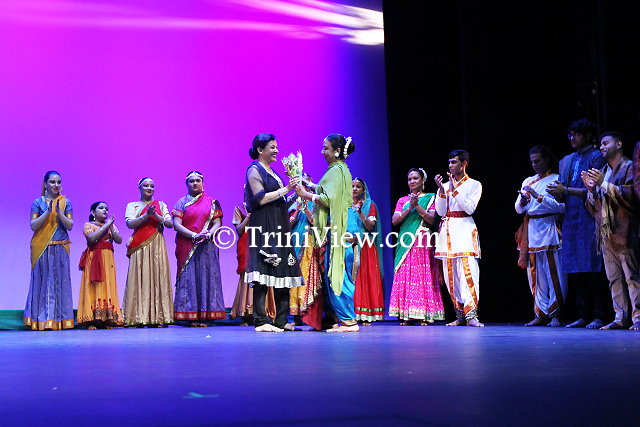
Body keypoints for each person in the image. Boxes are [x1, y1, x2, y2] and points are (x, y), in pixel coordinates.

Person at [547, 119, 609, 328]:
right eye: (570, 134)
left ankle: (599, 314)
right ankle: (583, 314)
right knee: (575, 269)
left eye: (577, 134)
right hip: (571, 219)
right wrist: (556, 193)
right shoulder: (567, 160)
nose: (572, 138)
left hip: (590, 217)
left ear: (589, 136)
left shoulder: (597, 157)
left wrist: (565, 190)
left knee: (593, 268)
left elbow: (594, 189)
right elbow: (563, 191)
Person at [295, 134, 356, 332]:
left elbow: (329, 199)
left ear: (337, 151)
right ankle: (346, 320)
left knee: (338, 273)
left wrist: (306, 195)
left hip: (339, 228)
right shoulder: (339, 169)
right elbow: (327, 191)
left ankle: (349, 321)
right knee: (336, 272)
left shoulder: (337, 171)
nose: (322, 152)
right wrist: (309, 184)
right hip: (339, 227)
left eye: (326, 148)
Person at [245, 133, 303, 332]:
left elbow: (279, 200)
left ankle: (281, 319)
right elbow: (260, 199)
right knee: (263, 268)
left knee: (282, 269)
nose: (276, 150)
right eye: (272, 147)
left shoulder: (272, 171)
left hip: (279, 224)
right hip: (264, 225)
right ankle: (261, 320)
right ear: (260, 150)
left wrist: (296, 194)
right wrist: (286, 188)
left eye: (276, 147)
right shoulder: (254, 169)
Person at [582, 132, 640, 330]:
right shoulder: (603, 171)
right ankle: (620, 317)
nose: (601, 147)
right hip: (607, 233)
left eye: (606, 143)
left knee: (632, 277)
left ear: (619, 144)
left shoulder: (629, 167)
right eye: (600, 144)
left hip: (625, 230)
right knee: (614, 278)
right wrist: (591, 191)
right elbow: (594, 207)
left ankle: (638, 317)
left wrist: (603, 184)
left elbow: (631, 196)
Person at [515, 146, 567, 326]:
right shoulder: (528, 180)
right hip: (532, 229)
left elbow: (561, 207)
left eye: (537, 161)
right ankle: (540, 313)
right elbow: (518, 208)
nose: (534, 165)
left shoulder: (556, 179)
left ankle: (555, 314)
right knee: (536, 275)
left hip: (549, 227)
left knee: (554, 272)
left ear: (547, 160)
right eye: (532, 162)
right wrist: (523, 201)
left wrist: (537, 196)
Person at [434, 150, 483, 327]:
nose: (450, 165)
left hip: (464, 231)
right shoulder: (445, 186)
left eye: (454, 162)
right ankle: (460, 314)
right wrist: (442, 191)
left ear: (464, 164)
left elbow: (470, 209)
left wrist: (454, 191)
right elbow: (440, 212)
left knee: (468, 273)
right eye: (449, 162)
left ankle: (472, 315)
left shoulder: (474, 184)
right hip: (447, 232)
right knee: (451, 276)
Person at [389, 169, 444, 325]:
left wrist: (417, 206)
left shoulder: (430, 197)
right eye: (409, 179)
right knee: (406, 274)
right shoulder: (402, 200)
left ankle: (424, 315)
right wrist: (409, 207)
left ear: (423, 180)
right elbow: (395, 221)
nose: (412, 181)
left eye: (415, 178)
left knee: (421, 275)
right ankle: (408, 315)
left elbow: (432, 219)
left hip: (422, 240)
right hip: (405, 240)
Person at [172, 171, 225, 326]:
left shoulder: (211, 202)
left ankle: (204, 316)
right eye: (191, 181)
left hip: (207, 245)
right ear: (186, 184)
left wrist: (209, 233)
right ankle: (190, 316)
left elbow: (217, 223)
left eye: (198, 180)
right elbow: (177, 224)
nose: (195, 183)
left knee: (206, 276)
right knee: (189, 278)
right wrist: (194, 235)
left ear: (203, 183)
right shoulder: (181, 202)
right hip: (187, 244)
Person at [24, 171, 75, 330]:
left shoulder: (65, 202)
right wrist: (47, 212)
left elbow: (70, 225)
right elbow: (33, 225)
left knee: (60, 283)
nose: (56, 185)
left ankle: (59, 320)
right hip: (42, 248)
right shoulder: (37, 202)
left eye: (58, 182)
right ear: (45, 184)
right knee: (42, 283)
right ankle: (41, 320)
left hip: (60, 246)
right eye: (52, 182)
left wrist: (59, 212)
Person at [123, 178, 174, 328]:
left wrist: (156, 216)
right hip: (139, 245)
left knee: (158, 278)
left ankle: (158, 317)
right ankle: (136, 317)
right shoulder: (132, 205)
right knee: (139, 278)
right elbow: (129, 223)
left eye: (152, 186)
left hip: (157, 244)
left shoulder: (161, 205)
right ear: (139, 188)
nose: (149, 188)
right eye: (146, 185)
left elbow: (170, 224)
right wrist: (146, 216)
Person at [77, 202, 123, 329]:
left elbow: (119, 240)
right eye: (101, 208)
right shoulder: (89, 225)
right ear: (93, 212)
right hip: (94, 260)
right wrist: (107, 225)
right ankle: (91, 320)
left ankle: (106, 319)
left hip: (108, 260)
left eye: (106, 209)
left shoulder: (110, 225)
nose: (105, 210)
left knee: (107, 285)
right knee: (94, 286)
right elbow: (91, 239)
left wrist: (111, 226)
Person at [230, 203, 276, 325]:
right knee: (247, 275)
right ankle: (247, 313)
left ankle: (264, 313)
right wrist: (249, 216)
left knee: (264, 276)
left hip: (263, 242)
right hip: (246, 245)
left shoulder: (265, 206)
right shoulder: (239, 208)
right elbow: (239, 230)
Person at [351, 178, 385, 324]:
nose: (354, 189)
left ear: (363, 190)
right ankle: (349, 314)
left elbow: (370, 226)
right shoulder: (345, 205)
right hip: (347, 243)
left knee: (363, 278)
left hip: (365, 246)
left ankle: (366, 313)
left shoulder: (369, 205)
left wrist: (360, 213)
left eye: (358, 186)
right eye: (352, 186)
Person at [288, 174, 315, 325]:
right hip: (294, 243)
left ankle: (307, 315)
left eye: (305, 184)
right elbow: (288, 226)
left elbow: (315, 222)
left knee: (306, 276)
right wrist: (298, 211)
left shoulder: (316, 202)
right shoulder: (294, 203)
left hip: (309, 243)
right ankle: (296, 316)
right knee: (294, 277)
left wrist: (306, 209)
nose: (302, 187)